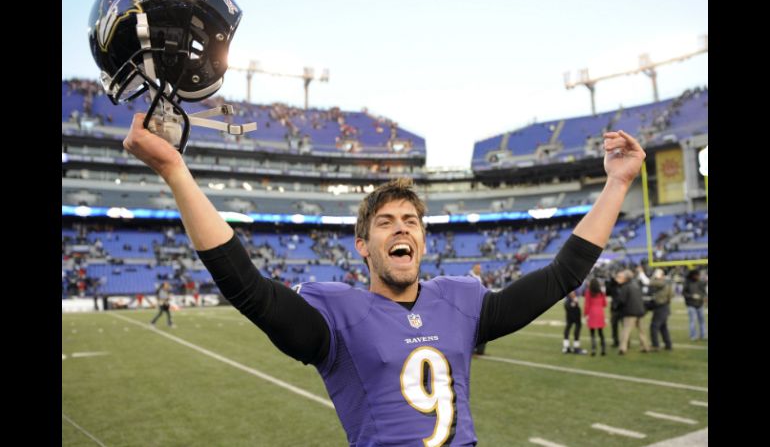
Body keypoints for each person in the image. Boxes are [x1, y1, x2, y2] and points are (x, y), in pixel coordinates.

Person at [124, 113, 644, 446]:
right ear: (363, 246)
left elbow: (563, 273)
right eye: (386, 222)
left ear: (422, 240)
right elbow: (247, 288)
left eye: (411, 221)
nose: (402, 229)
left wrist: (617, 183)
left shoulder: (461, 303)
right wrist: (176, 173)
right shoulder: (336, 321)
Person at [616, 269, 650, 355]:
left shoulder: (625, 287)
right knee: (642, 331)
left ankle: (622, 348)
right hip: (640, 311)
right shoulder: (636, 285)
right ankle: (645, 347)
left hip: (630, 312)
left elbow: (621, 300)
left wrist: (617, 307)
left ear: (626, 278)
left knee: (626, 330)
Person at [648, 268, 674, 351]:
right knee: (663, 327)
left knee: (654, 327)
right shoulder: (667, 283)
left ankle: (655, 345)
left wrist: (653, 276)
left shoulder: (662, 282)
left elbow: (651, 283)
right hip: (665, 306)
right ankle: (668, 344)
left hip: (661, 307)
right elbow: (671, 295)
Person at [468, 263, 489, 355]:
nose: (480, 270)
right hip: (472, 307)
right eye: (478, 268)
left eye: (480, 268)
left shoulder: (480, 277)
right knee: (472, 329)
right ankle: (472, 349)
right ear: (473, 268)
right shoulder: (469, 277)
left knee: (483, 328)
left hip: (480, 306)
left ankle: (480, 350)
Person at [583, 278, 607, 356]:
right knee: (601, 332)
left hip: (592, 313)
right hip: (600, 313)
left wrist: (585, 314)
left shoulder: (588, 293)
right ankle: (603, 349)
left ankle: (593, 349)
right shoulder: (601, 293)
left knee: (592, 333)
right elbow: (605, 304)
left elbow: (587, 305)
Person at [683, 269, 708, 340]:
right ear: (693, 275)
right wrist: (692, 296)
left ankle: (703, 335)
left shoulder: (700, 282)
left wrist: (704, 297)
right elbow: (684, 293)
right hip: (691, 304)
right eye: (697, 275)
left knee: (702, 321)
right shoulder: (687, 283)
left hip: (700, 304)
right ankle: (693, 336)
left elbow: (703, 292)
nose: (698, 276)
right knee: (693, 321)